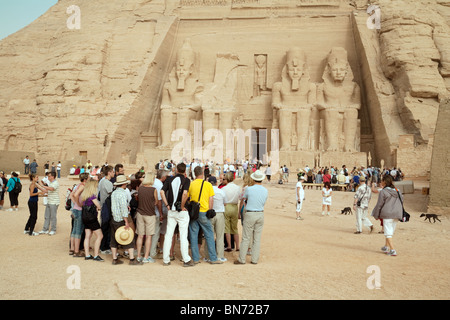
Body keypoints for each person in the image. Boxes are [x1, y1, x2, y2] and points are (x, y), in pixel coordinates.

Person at [160, 163, 194, 267]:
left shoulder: (170, 179)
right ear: (185, 171)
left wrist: (167, 205)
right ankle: (186, 259)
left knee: (169, 235)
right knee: (183, 235)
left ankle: (166, 259)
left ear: (176, 170)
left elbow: (162, 192)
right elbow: (185, 194)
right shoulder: (186, 180)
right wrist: (182, 206)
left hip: (171, 211)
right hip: (181, 212)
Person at [188, 166, 223, 265]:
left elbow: (188, 196)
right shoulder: (207, 185)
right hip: (204, 211)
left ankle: (195, 258)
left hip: (194, 213)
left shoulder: (192, 184)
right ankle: (213, 258)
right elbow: (211, 199)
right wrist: (210, 210)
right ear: (202, 173)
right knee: (209, 234)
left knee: (193, 235)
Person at [234, 170, 268, 265]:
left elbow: (244, 199)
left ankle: (242, 259)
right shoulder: (265, 190)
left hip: (250, 213)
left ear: (253, 179)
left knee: (246, 237)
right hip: (260, 213)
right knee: (257, 238)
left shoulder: (249, 189)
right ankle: (254, 259)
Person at [110, 175, 141, 265]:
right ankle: (131, 259)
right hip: (121, 219)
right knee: (129, 237)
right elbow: (123, 208)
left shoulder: (114, 193)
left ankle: (114, 258)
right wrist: (126, 221)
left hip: (114, 218)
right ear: (124, 184)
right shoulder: (122, 193)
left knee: (114, 238)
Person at [371, 175, 403, 256]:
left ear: (384, 182)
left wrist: (376, 214)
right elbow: (402, 200)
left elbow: (379, 204)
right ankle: (386, 247)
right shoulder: (397, 190)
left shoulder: (383, 191)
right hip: (397, 213)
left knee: (388, 232)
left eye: (382, 180)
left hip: (388, 213)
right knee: (390, 230)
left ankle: (392, 250)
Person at [135, 174, 161, 263]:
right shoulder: (153, 190)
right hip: (150, 214)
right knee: (149, 236)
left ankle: (138, 255)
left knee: (140, 235)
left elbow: (138, 198)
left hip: (140, 213)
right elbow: (156, 202)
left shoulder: (141, 188)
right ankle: (146, 257)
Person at [80, 179, 104, 261]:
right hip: (92, 218)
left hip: (85, 217)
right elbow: (99, 205)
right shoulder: (92, 196)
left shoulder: (84, 196)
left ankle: (87, 255)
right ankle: (96, 255)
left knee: (87, 236)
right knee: (100, 236)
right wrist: (99, 208)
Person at [205, 176, 228, 262]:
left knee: (208, 235)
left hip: (209, 214)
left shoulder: (207, 191)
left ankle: (207, 256)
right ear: (216, 183)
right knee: (220, 236)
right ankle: (220, 255)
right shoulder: (221, 191)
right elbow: (225, 203)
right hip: (219, 214)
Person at [70, 173, 89, 257]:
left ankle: (72, 248)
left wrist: (75, 203)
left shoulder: (78, 185)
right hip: (79, 210)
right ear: (85, 180)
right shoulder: (82, 186)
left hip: (75, 209)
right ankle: (76, 251)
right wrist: (79, 203)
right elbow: (75, 195)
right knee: (78, 231)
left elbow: (71, 195)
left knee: (74, 230)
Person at [151, 169, 168, 259]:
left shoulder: (152, 182)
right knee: (157, 232)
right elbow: (159, 202)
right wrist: (161, 213)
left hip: (149, 211)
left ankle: (151, 250)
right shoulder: (159, 185)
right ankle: (152, 252)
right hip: (156, 212)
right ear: (163, 177)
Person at [222, 172, 241, 252]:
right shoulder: (237, 187)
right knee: (235, 228)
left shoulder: (224, 188)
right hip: (234, 206)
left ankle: (229, 245)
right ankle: (237, 246)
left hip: (226, 206)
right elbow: (240, 197)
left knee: (227, 228)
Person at [98, 165, 114, 254]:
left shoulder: (102, 181)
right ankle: (104, 247)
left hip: (103, 205)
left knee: (105, 226)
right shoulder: (107, 183)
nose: (114, 173)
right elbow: (111, 193)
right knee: (106, 227)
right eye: (113, 172)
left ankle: (103, 246)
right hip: (107, 206)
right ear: (109, 172)